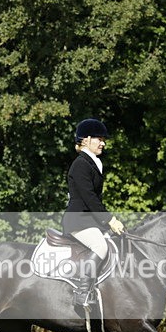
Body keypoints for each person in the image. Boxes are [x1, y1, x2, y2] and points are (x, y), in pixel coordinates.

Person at [61, 118, 125, 308]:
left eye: (103, 140)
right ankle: (82, 292)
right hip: (77, 221)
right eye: (99, 139)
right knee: (101, 246)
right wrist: (110, 219)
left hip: (88, 220)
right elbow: (89, 197)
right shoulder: (81, 164)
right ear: (86, 140)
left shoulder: (93, 163)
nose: (103, 143)